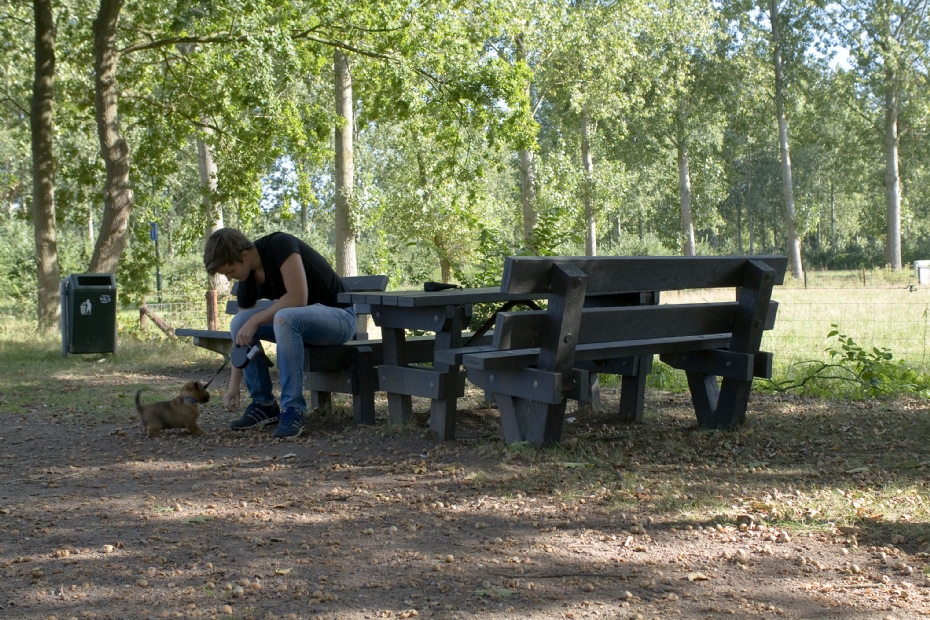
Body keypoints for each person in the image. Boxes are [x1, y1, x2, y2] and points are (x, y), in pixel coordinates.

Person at [203, 228, 356, 438]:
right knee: (240, 322)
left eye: (230, 271)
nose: (229, 278)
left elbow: (298, 298)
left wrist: (256, 320)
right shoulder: (247, 281)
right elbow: (242, 339)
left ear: (244, 255)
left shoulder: (280, 245)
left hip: (340, 318)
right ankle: (263, 404)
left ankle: (293, 409)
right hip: (301, 324)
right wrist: (233, 386)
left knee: (284, 317)